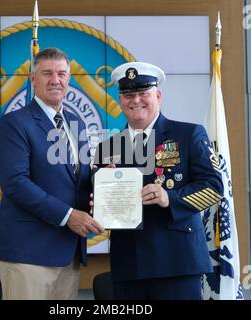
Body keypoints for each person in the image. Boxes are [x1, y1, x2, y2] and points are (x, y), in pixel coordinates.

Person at [93, 61, 224, 300]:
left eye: (143, 93)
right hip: (128, 264)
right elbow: (101, 203)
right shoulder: (107, 148)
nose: (136, 100)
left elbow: (214, 188)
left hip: (177, 263)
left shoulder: (188, 134)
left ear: (158, 96)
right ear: (120, 101)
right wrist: (96, 204)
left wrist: (169, 197)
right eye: (128, 94)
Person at [0, 47, 103, 300]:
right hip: (28, 256)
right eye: (47, 73)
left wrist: (107, 181)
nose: (56, 80)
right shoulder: (14, 123)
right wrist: (68, 216)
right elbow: (16, 184)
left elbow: (79, 178)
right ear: (33, 79)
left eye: (62, 74)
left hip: (69, 252)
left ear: (69, 78)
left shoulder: (77, 123)